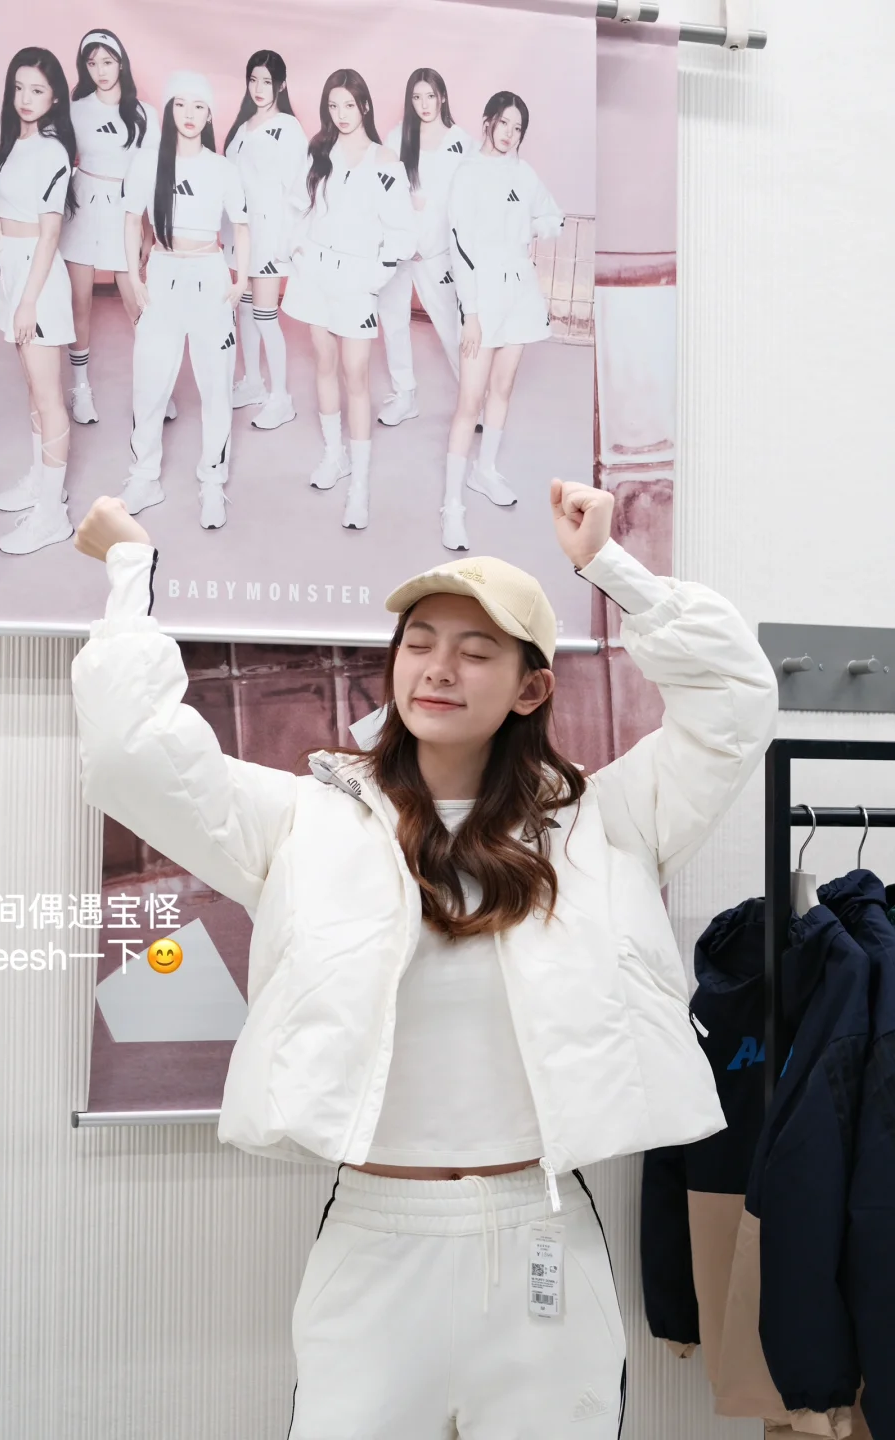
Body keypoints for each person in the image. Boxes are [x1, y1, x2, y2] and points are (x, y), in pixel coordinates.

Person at [70, 477, 780, 1439]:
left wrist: (611, 567)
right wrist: (130, 570)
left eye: (476, 651)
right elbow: (129, 755)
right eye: (419, 643)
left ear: (530, 688)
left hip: (540, 1238)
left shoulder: (606, 824)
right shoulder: (301, 821)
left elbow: (731, 705)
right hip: (374, 1239)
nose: (438, 670)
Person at [281, 69, 416, 530]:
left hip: (357, 279)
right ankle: (334, 455)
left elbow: (402, 232)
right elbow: (297, 207)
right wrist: (298, 253)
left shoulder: (385, 161)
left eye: (349, 105)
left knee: (355, 373)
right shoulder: (319, 151)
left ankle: (359, 484)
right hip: (316, 274)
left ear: (365, 107)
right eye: (333, 106)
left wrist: (374, 277)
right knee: (323, 363)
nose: (341, 114)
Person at [120, 71, 249, 531]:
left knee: (216, 385)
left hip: (210, 277)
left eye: (198, 106)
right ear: (170, 109)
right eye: (180, 104)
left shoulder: (222, 168)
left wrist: (241, 280)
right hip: (162, 273)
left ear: (210, 114)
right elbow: (131, 220)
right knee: (149, 379)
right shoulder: (149, 162)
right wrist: (133, 276)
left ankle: (213, 481)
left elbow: (242, 226)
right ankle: (144, 477)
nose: (189, 114)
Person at [442, 92, 565, 553]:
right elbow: (459, 248)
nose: (510, 134)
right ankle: (452, 506)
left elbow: (553, 217)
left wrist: (535, 227)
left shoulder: (523, 173)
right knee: (468, 401)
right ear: (488, 121)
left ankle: (485, 470)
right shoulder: (468, 173)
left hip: (520, 294)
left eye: (518, 128)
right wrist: (471, 314)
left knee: (504, 387)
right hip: (482, 296)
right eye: (505, 123)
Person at [0, 46, 78, 556]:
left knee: (48, 397)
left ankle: (51, 516)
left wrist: (27, 302)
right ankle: (40, 483)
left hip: (37, 279)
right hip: (12, 267)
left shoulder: (52, 152)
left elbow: (49, 236)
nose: (25, 98)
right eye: (19, 87)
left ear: (54, 97)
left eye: (37, 90)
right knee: (32, 390)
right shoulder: (14, 145)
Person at [60, 28, 159, 425]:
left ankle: (155, 388)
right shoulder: (75, 109)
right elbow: (59, 160)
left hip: (125, 212)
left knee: (138, 305)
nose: (100, 70)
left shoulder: (144, 113)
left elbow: (148, 176)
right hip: (82, 208)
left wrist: (148, 228)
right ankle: (80, 389)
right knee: (79, 302)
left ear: (121, 63)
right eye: (92, 63)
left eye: (107, 61)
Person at [377, 68, 471, 427]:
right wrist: (400, 239)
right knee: (394, 322)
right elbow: (384, 189)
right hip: (398, 249)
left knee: (452, 325)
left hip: (438, 253)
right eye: (417, 98)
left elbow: (465, 202)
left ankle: (474, 399)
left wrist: (433, 242)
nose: (424, 104)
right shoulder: (398, 136)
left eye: (430, 96)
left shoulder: (461, 142)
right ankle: (405, 395)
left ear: (442, 97)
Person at [222, 50, 308, 431]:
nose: (259, 88)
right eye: (253, 80)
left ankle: (281, 398)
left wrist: (287, 240)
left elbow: (299, 188)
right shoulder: (242, 127)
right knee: (244, 310)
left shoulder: (288, 128)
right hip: (240, 236)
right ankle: (254, 382)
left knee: (265, 315)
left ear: (281, 85)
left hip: (270, 236)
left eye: (267, 82)